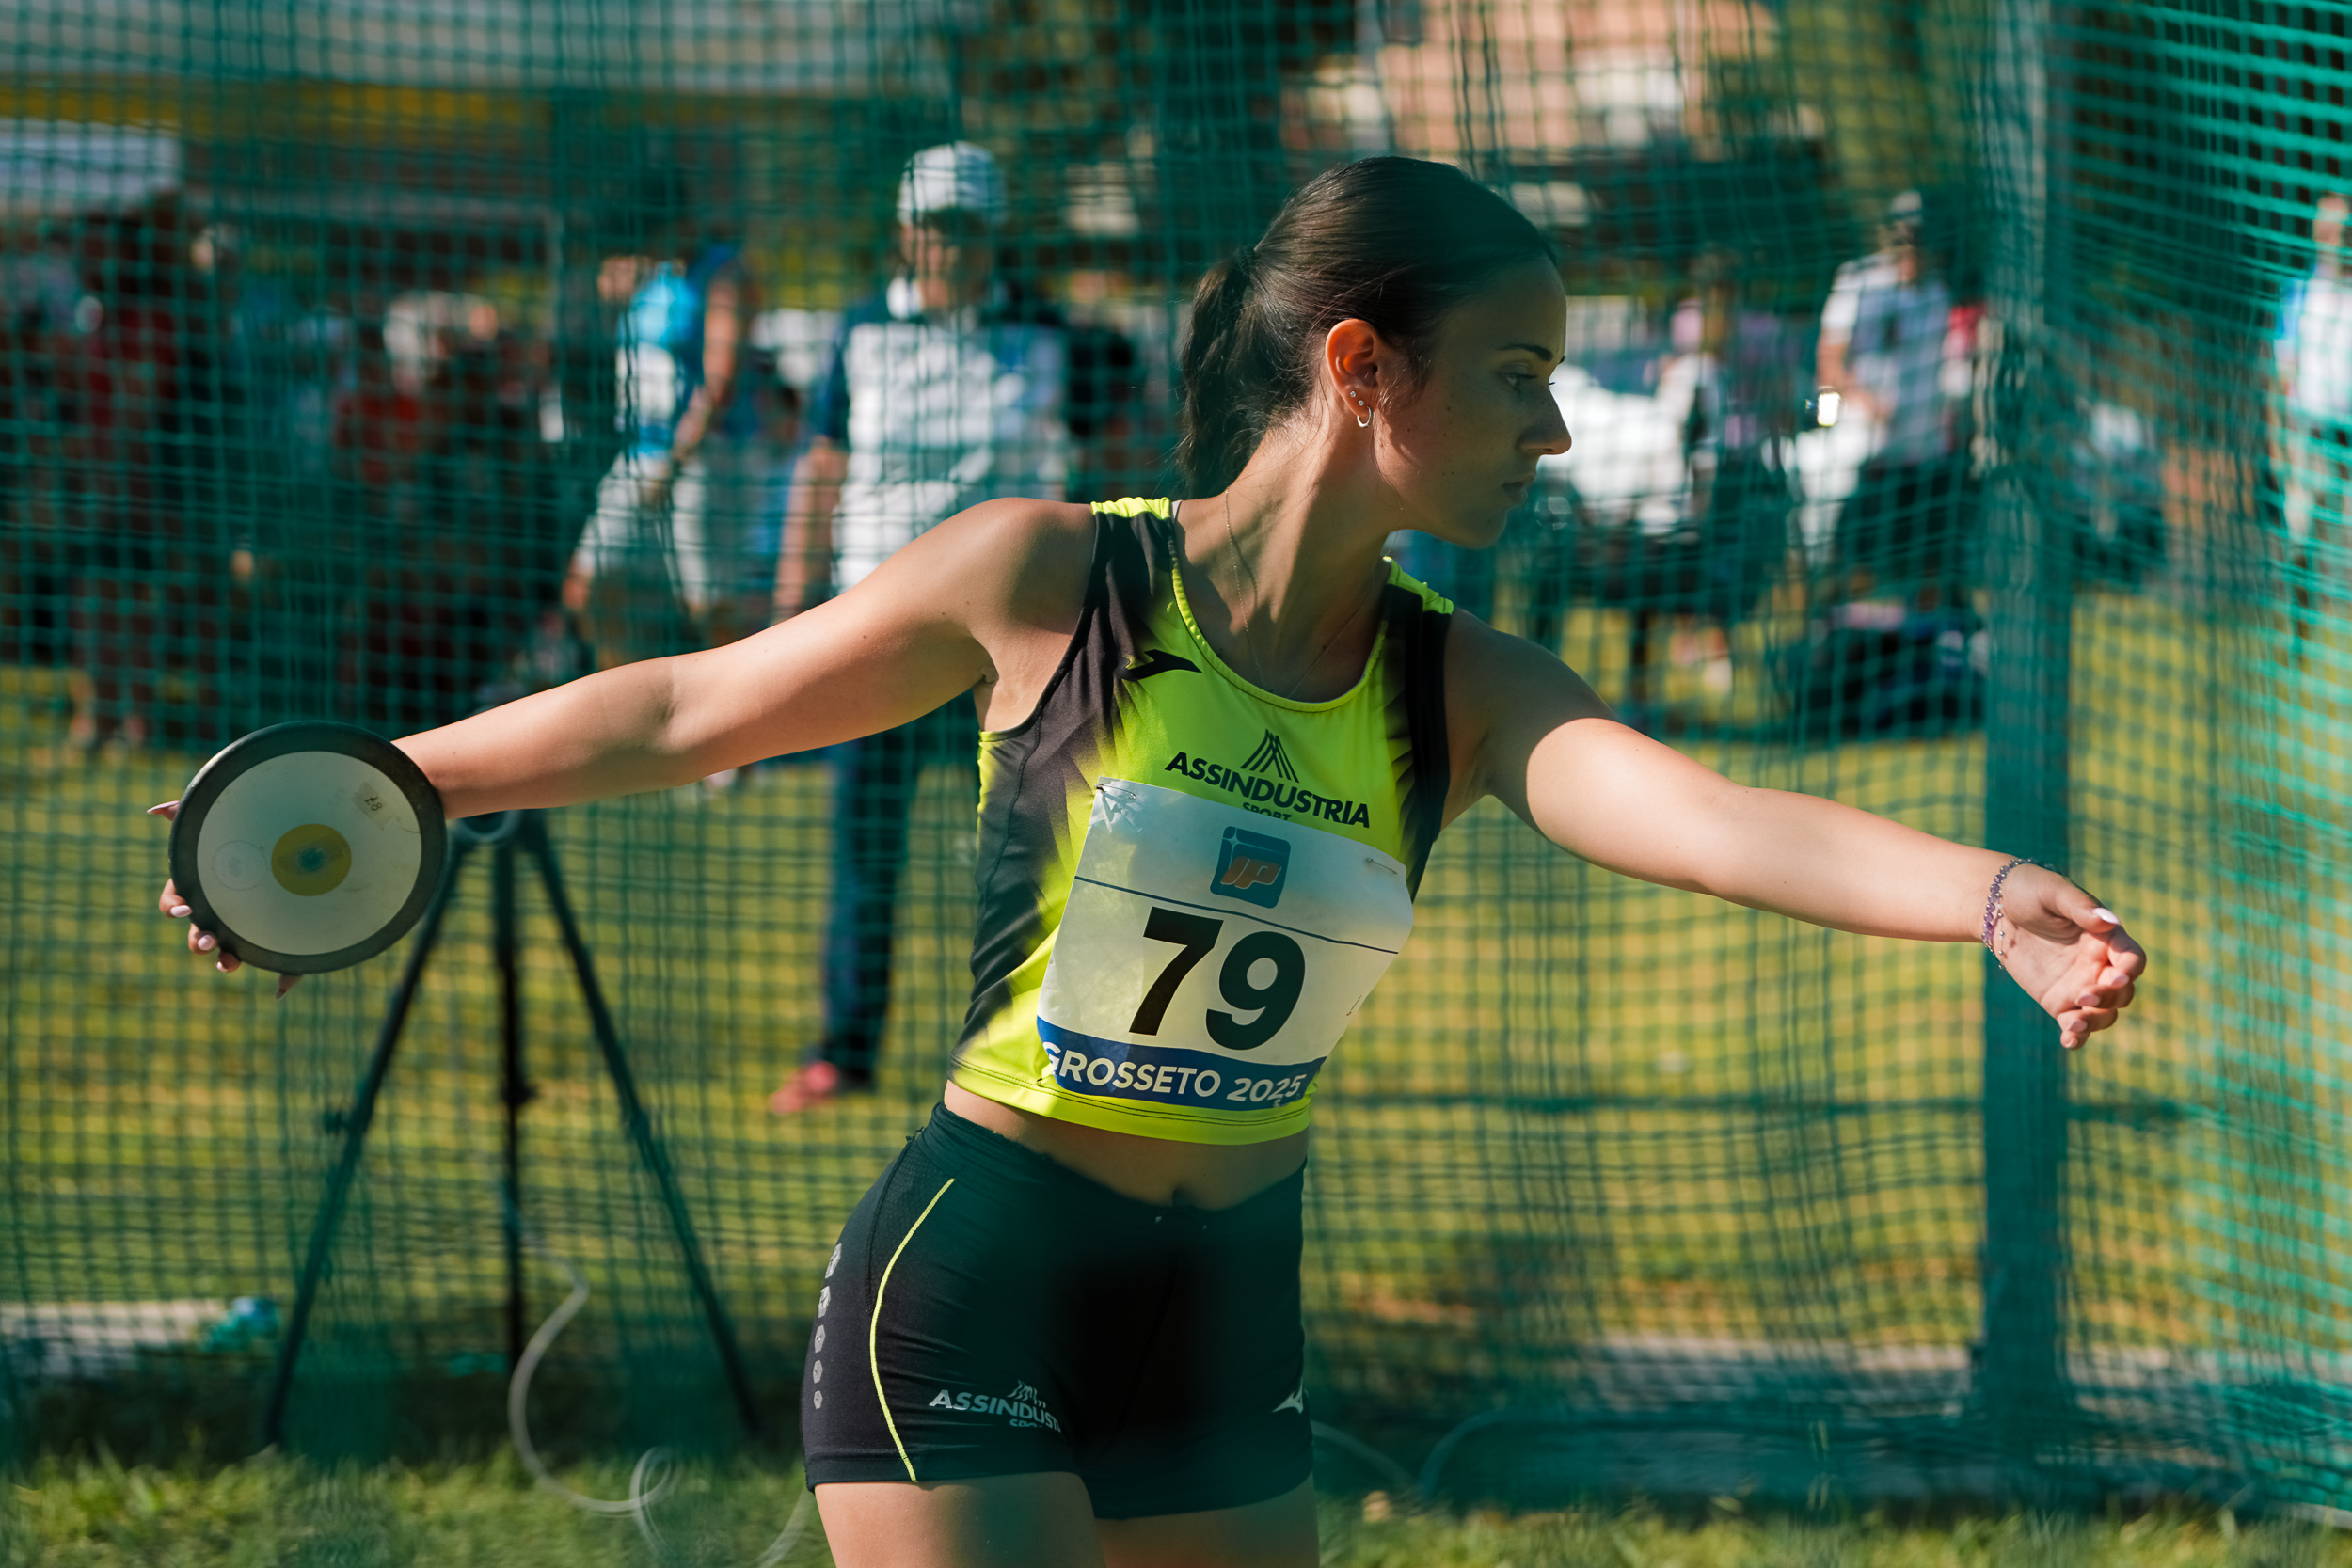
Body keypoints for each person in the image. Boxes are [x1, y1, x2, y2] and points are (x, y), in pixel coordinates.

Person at [158, 156, 2147, 1568]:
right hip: (977, 1274)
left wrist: (1982, 891)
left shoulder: (1460, 685)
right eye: (1515, 373)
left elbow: (1714, 821)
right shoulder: (1055, 577)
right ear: (1360, 365)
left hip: (1223, 1308)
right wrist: (386, 782)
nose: (1554, 430)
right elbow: (691, 707)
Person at [767, 142, 1073, 1113]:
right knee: (865, 847)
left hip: (1014, 640)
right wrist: (791, 598)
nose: (954, 246)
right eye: (937, 227)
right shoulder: (861, 332)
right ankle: (843, 1052)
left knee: (1030, 851)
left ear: (997, 234)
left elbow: (1101, 462)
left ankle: (1029, 1051)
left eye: (970, 228)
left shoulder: (1047, 332)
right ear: (906, 233)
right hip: (881, 630)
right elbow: (821, 464)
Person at [564, 222, 765, 663]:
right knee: (589, 588)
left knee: (712, 610)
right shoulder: (653, 276)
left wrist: (676, 461)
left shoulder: (724, 273)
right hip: (638, 455)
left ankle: (740, 701)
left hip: (706, 457)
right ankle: (624, 695)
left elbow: (720, 379)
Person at [1817, 190, 1971, 608]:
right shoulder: (1860, 281)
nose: (1911, 247)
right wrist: (1856, 404)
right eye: (1903, 236)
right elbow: (1828, 360)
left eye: (1919, 238)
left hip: (1923, 455)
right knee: (1854, 567)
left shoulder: (1937, 293)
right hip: (1867, 453)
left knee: (1931, 567)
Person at [2274, 190, 2352, 638]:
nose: (2336, 237)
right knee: (2301, 536)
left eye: (2343, 228)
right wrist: (2280, 441)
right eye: (2329, 227)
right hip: (2309, 432)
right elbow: (2283, 375)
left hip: (2347, 435)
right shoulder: (2299, 295)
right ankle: (2298, 632)